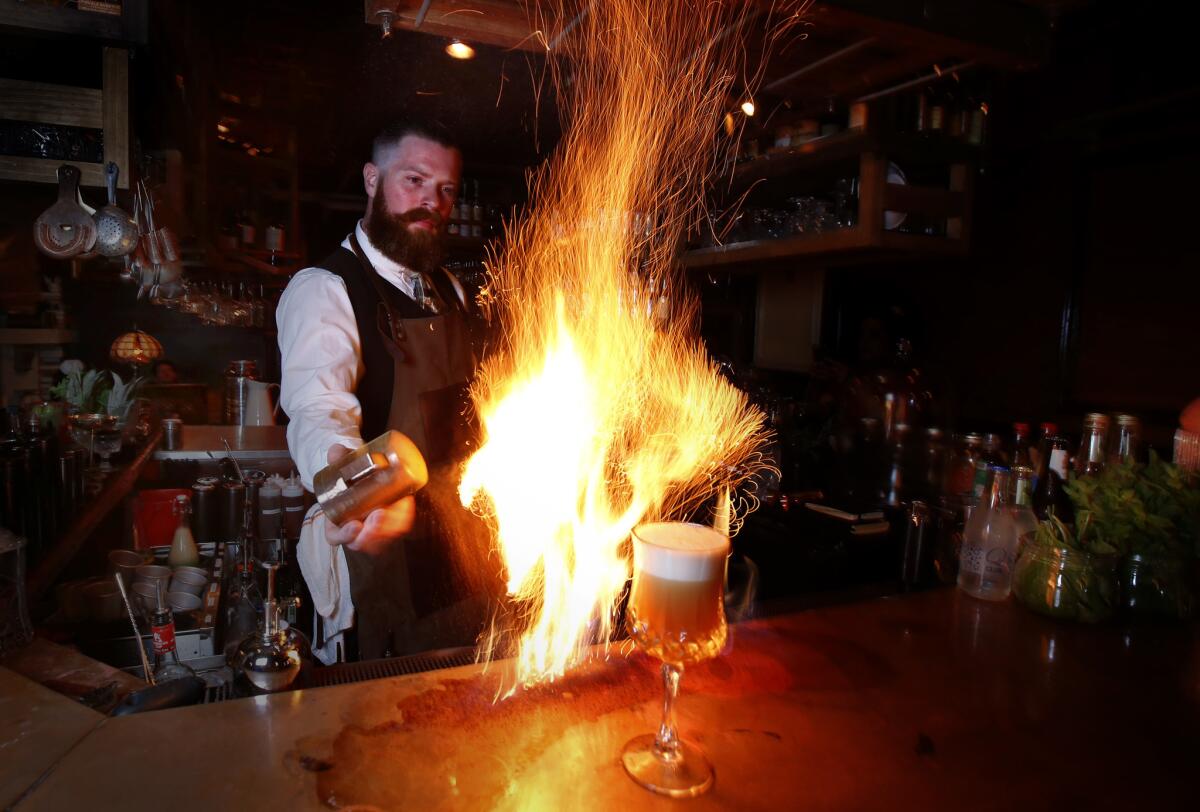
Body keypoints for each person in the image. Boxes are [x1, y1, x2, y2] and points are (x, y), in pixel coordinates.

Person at [277, 121, 490, 664]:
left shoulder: (451, 289)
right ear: (372, 179)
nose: (431, 202)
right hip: (381, 546)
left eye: (445, 190)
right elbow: (317, 408)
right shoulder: (325, 289)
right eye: (414, 180)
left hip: (460, 543)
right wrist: (352, 483)